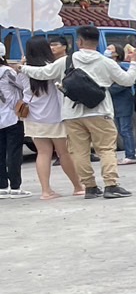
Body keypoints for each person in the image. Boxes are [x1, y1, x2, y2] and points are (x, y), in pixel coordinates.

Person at [20, 24, 136, 198]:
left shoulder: (66, 61)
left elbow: (43, 73)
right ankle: (111, 184)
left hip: (72, 114)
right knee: (106, 149)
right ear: (97, 42)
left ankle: (90, 187)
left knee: (80, 151)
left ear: (80, 41)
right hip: (100, 111)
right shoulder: (106, 62)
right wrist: (134, 63)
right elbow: (127, 80)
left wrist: (23, 68)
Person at [20, 36, 84, 199]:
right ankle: (77, 186)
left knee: (42, 153)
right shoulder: (52, 67)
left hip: (33, 116)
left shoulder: (23, 70)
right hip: (55, 116)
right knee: (63, 153)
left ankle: (46, 191)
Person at [105, 45, 136, 166]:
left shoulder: (122, 68)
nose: (107, 51)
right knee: (120, 130)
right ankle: (128, 154)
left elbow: (123, 84)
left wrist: (107, 89)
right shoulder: (110, 68)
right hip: (115, 105)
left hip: (123, 104)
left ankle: (130, 155)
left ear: (117, 54)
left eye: (110, 49)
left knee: (126, 130)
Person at [0, 49, 27, 197]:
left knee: (0, 153)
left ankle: (2, 186)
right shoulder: (6, 72)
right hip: (12, 116)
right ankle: (15, 187)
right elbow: (22, 86)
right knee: (14, 153)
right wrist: (22, 66)